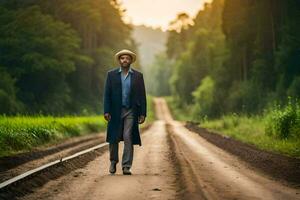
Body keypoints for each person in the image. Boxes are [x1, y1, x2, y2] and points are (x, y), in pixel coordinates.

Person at [103, 49, 147, 175]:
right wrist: (106, 110)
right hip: (115, 111)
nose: (125, 60)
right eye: (122, 58)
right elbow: (107, 94)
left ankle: (126, 166)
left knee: (128, 136)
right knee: (114, 137)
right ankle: (113, 161)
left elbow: (142, 95)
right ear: (119, 60)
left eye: (127, 58)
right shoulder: (111, 75)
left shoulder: (138, 76)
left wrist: (143, 113)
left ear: (131, 61)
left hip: (131, 111)